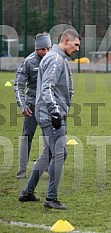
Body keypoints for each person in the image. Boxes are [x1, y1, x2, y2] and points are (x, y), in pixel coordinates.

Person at [18, 29, 81, 210]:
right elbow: (47, 88)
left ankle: (28, 192)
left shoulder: (56, 57)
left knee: (49, 153)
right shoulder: (55, 59)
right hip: (51, 115)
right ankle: (51, 198)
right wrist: (54, 111)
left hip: (52, 113)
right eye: (75, 44)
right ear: (66, 40)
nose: (77, 48)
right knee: (60, 154)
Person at [14, 33, 52, 179]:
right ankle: (22, 169)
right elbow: (19, 85)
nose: (46, 52)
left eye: (48, 48)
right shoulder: (28, 62)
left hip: (49, 106)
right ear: (37, 49)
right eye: (43, 49)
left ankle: (47, 165)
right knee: (26, 136)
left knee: (49, 137)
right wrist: (22, 105)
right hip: (32, 106)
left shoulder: (54, 60)